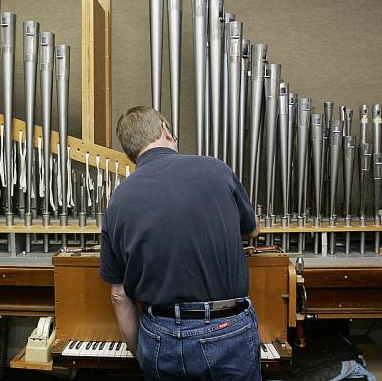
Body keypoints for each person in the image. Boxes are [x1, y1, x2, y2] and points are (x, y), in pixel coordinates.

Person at [100, 106, 261, 381]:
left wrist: (144, 353)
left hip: (158, 334)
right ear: (165, 129)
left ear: (130, 156)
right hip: (225, 328)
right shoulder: (216, 169)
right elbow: (253, 229)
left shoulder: (117, 201)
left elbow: (119, 295)